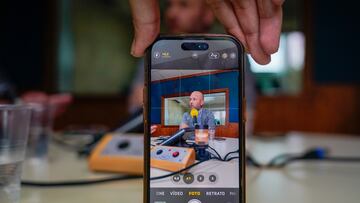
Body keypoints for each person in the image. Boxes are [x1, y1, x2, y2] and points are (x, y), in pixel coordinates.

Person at [129, 0, 284, 65]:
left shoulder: (232, 52)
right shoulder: (156, 50)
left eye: (184, 5)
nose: (171, 13)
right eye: (170, 4)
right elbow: (136, 104)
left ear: (208, 15)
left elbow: (247, 112)